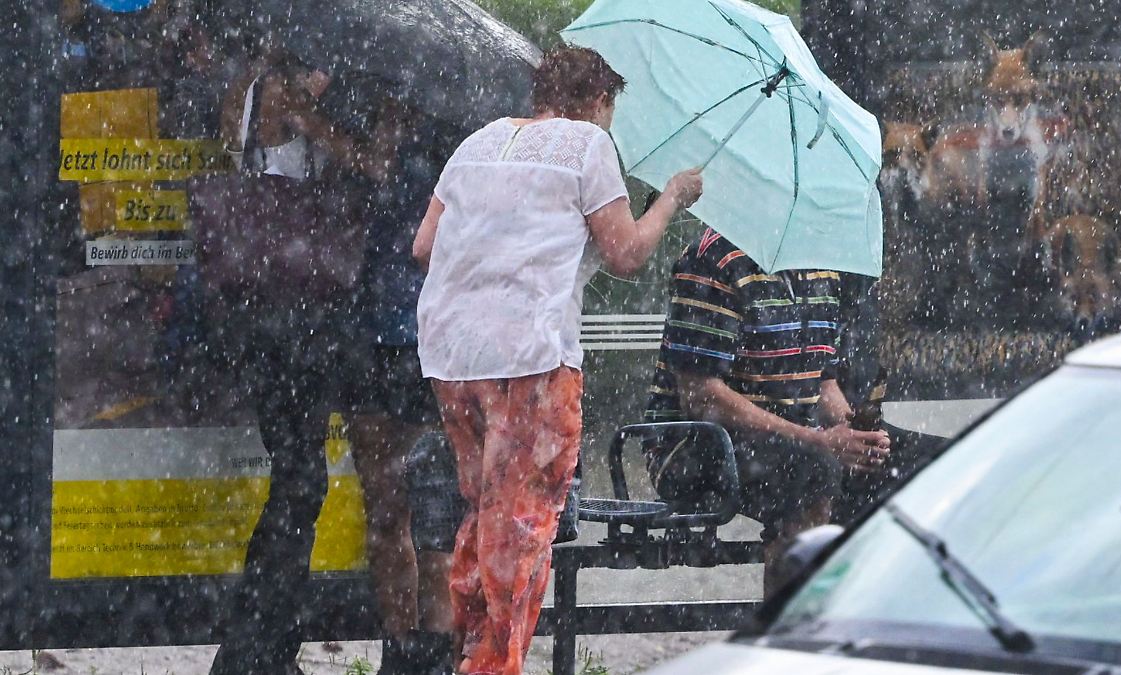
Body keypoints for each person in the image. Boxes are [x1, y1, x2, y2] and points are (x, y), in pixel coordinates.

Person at [413, 46, 703, 675]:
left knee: (484, 510)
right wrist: (672, 198)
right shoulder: (587, 146)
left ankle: (467, 651)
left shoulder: (479, 142)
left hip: (452, 355)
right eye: (610, 110)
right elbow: (626, 254)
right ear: (598, 102)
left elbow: (425, 245)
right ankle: (494, 666)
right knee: (522, 525)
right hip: (532, 360)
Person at [207, 48, 398, 675]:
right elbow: (374, 165)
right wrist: (380, 128)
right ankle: (258, 646)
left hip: (254, 308)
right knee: (300, 482)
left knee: (293, 476)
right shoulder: (286, 97)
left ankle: (257, 644)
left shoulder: (245, 87)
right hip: (295, 318)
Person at [642, 227, 891, 595]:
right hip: (693, 445)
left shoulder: (821, 267)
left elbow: (822, 380)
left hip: (788, 440)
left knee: (897, 466)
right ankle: (787, 628)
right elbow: (702, 396)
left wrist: (853, 432)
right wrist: (820, 441)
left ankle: (850, 614)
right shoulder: (713, 259)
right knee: (812, 468)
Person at [333, 91, 457, 675]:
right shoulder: (353, 105)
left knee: (434, 512)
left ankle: (432, 648)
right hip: (367, 328)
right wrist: (379, 128)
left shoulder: (461, 130)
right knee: (384, 505)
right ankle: (399, 647)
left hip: (428, 336)